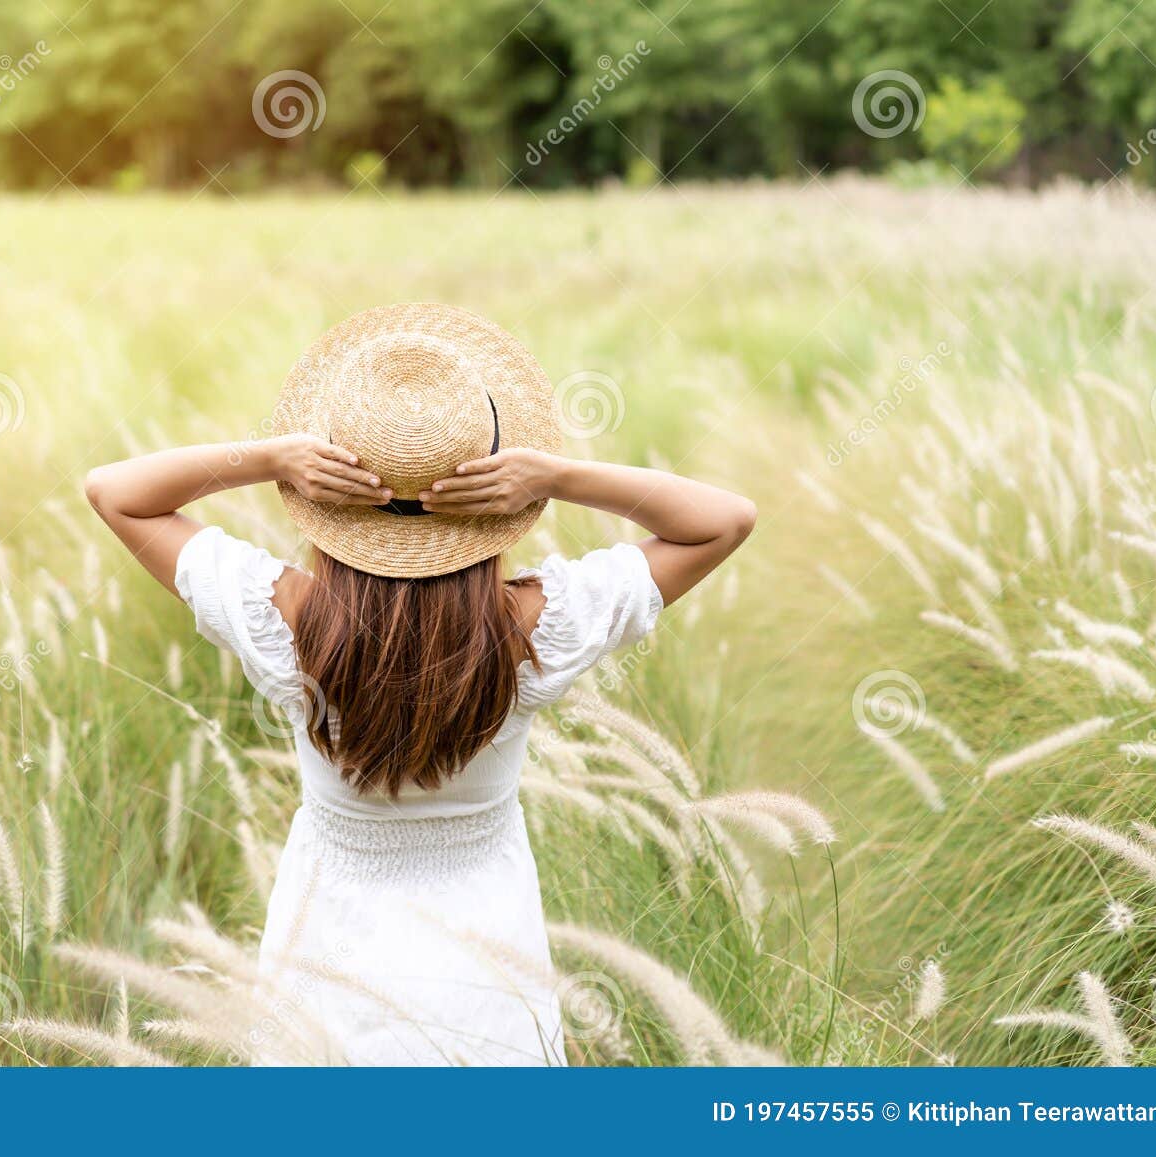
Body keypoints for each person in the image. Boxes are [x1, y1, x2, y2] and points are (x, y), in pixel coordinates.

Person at [85, 303, 755, 1065]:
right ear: (496, 497)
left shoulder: (287, 620)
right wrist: (558, 476)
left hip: (325, 964)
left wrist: (273, 458)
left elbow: (114, 490)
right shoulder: (533, 626)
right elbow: (725, 519)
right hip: (489, 972)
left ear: (329, 495)